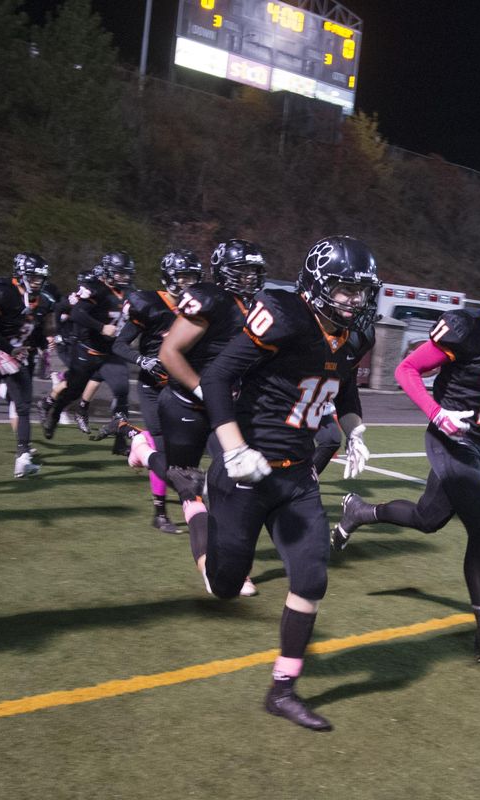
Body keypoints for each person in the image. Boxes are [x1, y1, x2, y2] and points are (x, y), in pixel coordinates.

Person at [156, 235, 377, 730]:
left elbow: (339, 386)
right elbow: (214, 378)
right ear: (319, 285)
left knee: (311, 576)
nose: (353, 300)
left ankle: (283, 690)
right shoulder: (283, 314)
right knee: (225, 587)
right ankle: (193, 498)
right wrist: (233, 447)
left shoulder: (358, 335)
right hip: (246, 471)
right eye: (343, 289)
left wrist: (354, 426)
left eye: (360, 290)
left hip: (297, 476)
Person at [330, 269, 480, 671]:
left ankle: (360, 512)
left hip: (479, 441)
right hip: (449, 439)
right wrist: (436, 414)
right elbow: (406, 370)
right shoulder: (466, 328)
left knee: (428, 518)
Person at [129, 239, 265, 595]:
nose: (250, 278)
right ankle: (144, 452)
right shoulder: (210, 298)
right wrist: (205, 390)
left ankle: (231, 565)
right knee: (187, 484)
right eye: (242, 271)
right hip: (185, 404)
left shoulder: (260, 308)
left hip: (227, 410)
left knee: (237, 485)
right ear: (224, 273)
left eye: (254, 271)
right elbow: (169, 352)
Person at [112, 249, 205, 533]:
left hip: (184, 389)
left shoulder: (202, 307)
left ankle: (190, 494)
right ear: (169, 278)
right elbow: (118, 344)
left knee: (188, 455)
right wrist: (142, 359)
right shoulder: (150, 304)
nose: (188, 283)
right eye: (183, 277)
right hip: (154, 388)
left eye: (193, 278)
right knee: (163, 450)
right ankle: (160, 511)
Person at [0, 252, 50, 478]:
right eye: (33, 277)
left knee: (23, 405)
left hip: (17, 356)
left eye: (40, 278)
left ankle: (23, 457)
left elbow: (37, 330)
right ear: (21, 274)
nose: (38, 282)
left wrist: (43, 345)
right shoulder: (2, 292)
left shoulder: (42, 301)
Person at [41, 252, 133, 439]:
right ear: (108, 272)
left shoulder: (130, 293)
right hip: (88, 350)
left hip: (111, 351)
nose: (124, 278)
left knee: (122, 387)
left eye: (126, 273)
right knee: (73, 391)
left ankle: (121, 434)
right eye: (119, 273)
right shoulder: (95, 289)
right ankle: (55, 411)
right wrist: (101, 327)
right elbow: (77, 314)